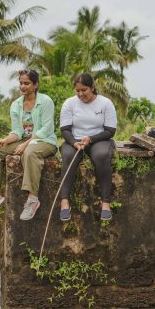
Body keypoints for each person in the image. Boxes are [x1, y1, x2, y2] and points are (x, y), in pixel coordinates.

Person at [0, 69, 58, 221]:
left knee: (29, 152)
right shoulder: (16, 105)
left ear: (35, 85)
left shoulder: (45, 101)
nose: (23, 86)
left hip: (45, 141)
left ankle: (32, 199)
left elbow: (47, 129)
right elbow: (17, 132)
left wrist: (27, 144)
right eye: (21, 83)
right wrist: (5, 141)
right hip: (24, 141)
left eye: (27, 83)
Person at [58, 73, 118, 221]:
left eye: (84, 90)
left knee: (101, 156)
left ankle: (105, 203)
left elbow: (110, 131)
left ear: (92, 88)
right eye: (77, 91)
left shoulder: (105, 103)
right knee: (68, 156)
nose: (80, 94)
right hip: (75, 140)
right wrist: (73, 142)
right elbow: (65, 129)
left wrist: (91, 139)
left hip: (99, 139)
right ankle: (64, 202)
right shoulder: (69, 103)